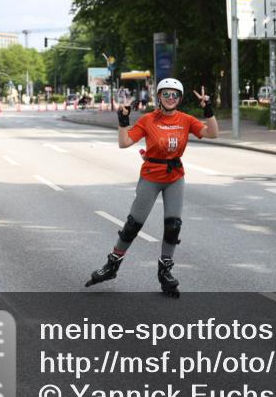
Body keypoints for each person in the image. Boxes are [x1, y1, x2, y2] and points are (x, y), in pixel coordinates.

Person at [85, 78, 218, 296]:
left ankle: (165, 270)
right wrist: (123, 120)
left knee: (173, 225)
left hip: (175, 176)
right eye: (166, 94)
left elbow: (213, 133)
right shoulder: (149, 120)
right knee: (133, 224)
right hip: (151, 176)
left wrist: (208, 109)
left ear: (180, 98)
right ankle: (112, 265)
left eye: (175, 95)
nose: (171, 98)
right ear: (159, 97)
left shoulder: (185, 120)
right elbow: (124, 143)